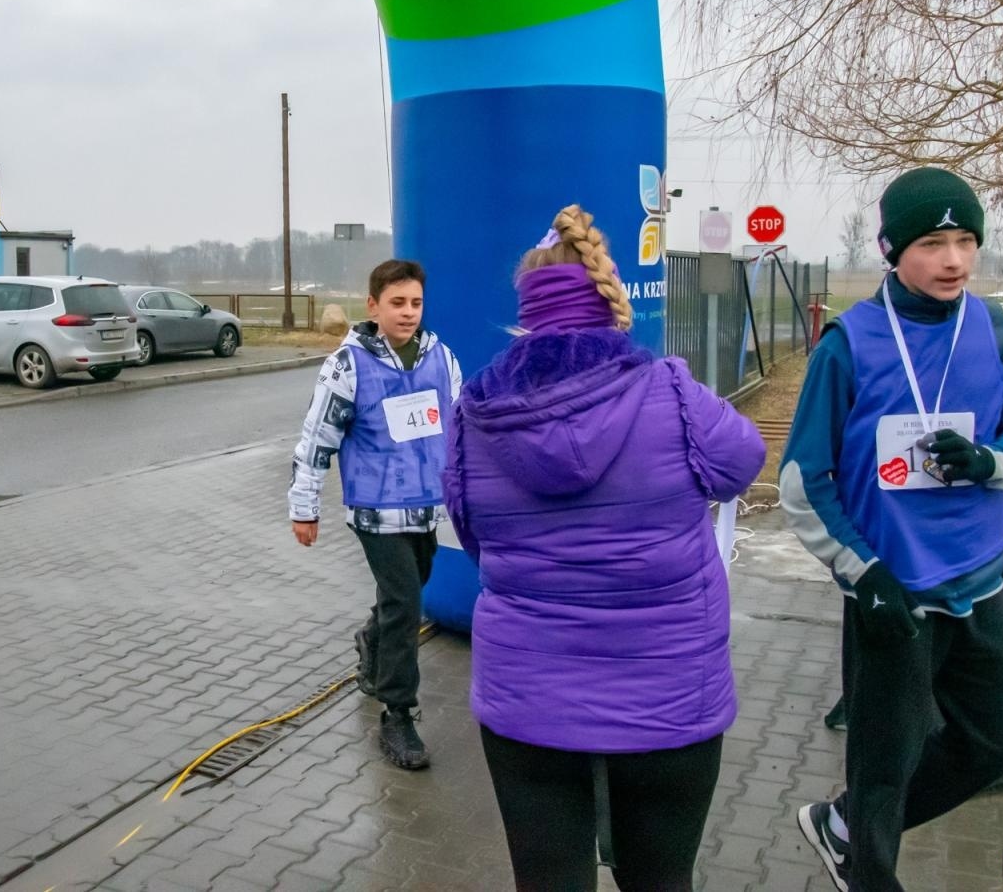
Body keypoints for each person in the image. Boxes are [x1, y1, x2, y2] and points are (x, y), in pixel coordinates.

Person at [442, 205, 764, 891]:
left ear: (526, 317)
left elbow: (473, 533)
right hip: (671, 696)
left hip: (528, 698)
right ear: (607, 301)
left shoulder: (476, 412)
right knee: (660, 881)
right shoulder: (674, 393)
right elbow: (743, 462)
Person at [781, 168, 1003, 891]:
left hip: (980, 585)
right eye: (934, 242)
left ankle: (845, 827)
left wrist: (989, 462)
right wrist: (862, 573)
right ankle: (864, 852)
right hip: (892, 594)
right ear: (891, 248)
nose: (954, 260)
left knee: (992, 745)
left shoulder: (992, 330)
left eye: (966, 240)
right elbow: (803, 483)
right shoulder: (849, 343)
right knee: (883, 768)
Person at [288, 258, 462, 770]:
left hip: (427, 510)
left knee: (403, 596)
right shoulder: (349, 365)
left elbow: (463, 422)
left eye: (416, 303)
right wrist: (305, 507)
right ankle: (398, 713)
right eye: (397, 303)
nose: (408, 313)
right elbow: (317, 437)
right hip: (376, 511)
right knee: (406, 603)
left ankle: (372, 639)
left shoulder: (441, 358)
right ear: (374, 306)